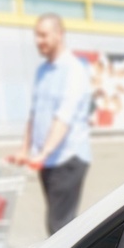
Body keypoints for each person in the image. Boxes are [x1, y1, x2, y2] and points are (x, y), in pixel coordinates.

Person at [10, 13, 92, 234]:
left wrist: (43, 153)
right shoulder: (42, 71)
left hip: (68, 157)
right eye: (36, 36)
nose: (39, 41)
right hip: (47, 161)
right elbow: (34, 113)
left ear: (59, 34)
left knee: (59, 226)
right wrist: (24, 149)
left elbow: (63, 119)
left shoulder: (74, 71)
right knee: (59, 224)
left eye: (43, 35)